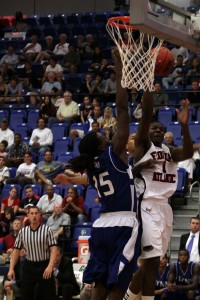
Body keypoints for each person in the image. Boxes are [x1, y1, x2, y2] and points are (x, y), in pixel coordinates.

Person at [69, 49, 140, 300]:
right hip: (124, 223)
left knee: (99, 283)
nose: (105, 134)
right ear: (101, 145)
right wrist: (121, 68)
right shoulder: (114, 152)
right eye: (102, 135)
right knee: (117, 285)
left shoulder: (91, 164)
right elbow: (122, 109)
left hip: (100, 226)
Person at [124, 101, 193, 299]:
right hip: (148, 206)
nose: (157, 131)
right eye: (154, 128)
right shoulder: (143, 146)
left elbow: (188, 153)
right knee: (152, 261)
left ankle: (129, 296)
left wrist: (184, 126)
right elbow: (145, 119)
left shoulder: (169, 151)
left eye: (161, 129)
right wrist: (148, 94)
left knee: (151, 263)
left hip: (166, 208)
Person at [7, 206, 58, 300]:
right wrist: (11, 268)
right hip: (29, 266)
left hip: (44, 265)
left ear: (39, 215)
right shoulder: (23, 232)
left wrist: (50, 266)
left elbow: (54, 249)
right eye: (31, 213)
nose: (34, 216)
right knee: (25, 294)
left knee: (49, 295)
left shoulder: (47, 230)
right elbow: (16, 251)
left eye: (36, 213)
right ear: (28, 216)